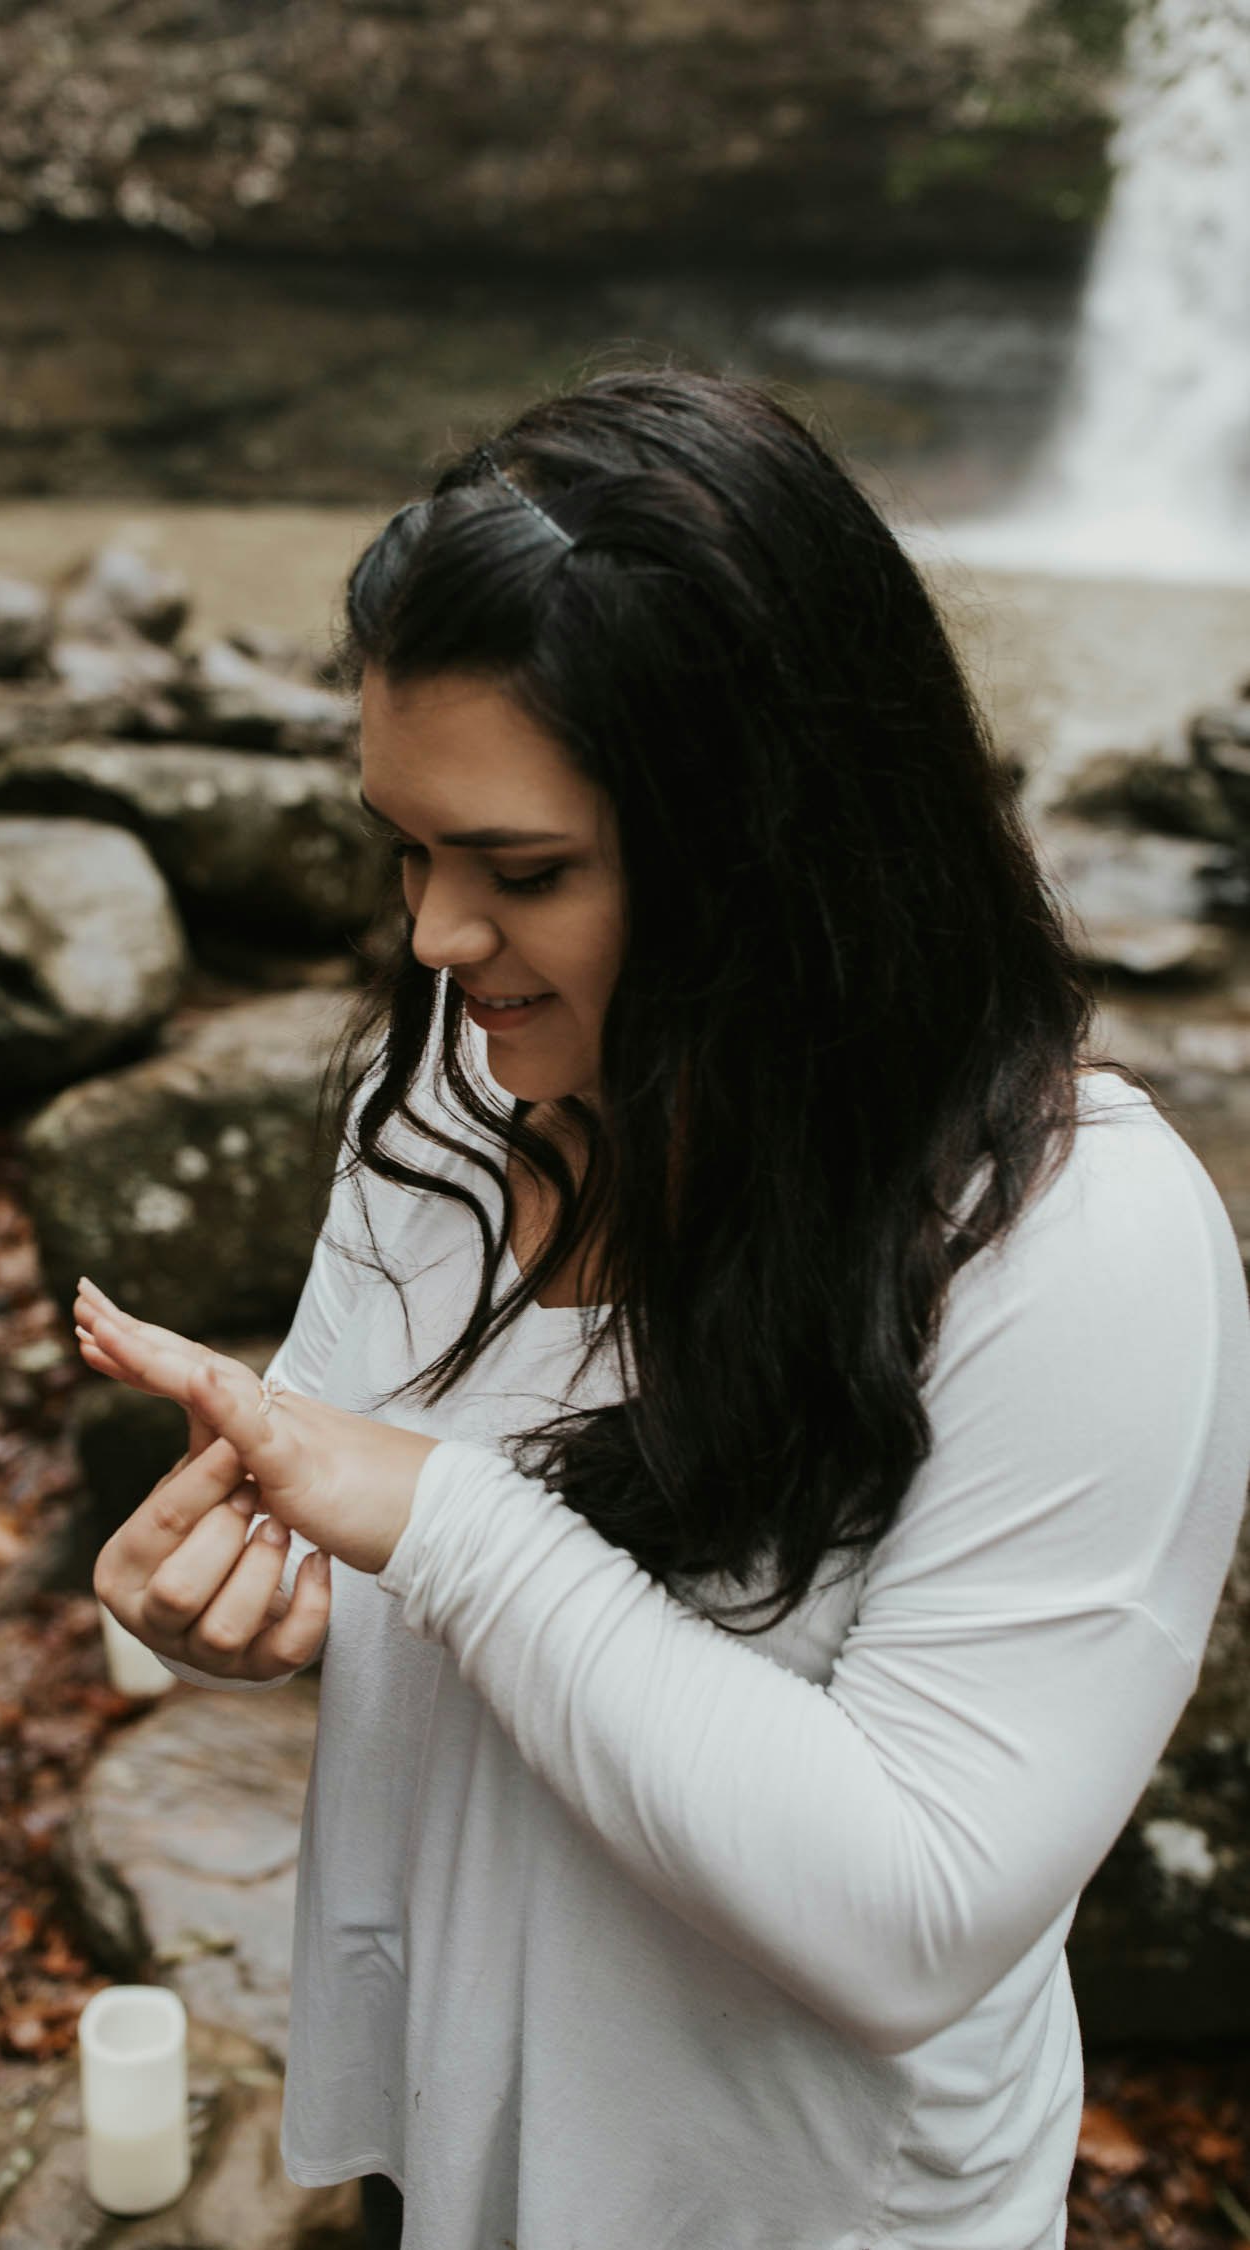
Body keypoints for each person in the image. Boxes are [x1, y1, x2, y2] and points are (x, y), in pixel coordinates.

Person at [80, 368, 1250, 2250]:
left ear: (773, 852)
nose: (437, 938)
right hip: (456, 2144)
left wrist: (444, 1524)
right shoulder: (471, 1095)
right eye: (407, 843)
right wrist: (247, 1586)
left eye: (522, 870)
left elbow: (914, 1913)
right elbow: (338, 1467)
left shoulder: (1075, 1239)